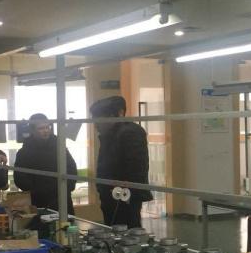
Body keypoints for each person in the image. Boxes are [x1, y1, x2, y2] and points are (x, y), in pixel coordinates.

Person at [89, 95, 153, 228]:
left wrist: (126, 195)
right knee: (113, 228)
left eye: (99, 119)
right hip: (110, 193)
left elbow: (136, 168)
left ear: (114, 115)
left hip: (123, 195)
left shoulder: (130, 133)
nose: (96, 125)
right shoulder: (110, 134)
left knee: (126, 229)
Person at [13, 113, 77, 213]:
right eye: (41, 128)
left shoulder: (59, 147)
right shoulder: (25, 152)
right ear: (32, 130)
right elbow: (20, 177)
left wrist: (67, 187)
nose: (46, 131)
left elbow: (71, 168)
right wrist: (36, 190)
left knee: (65, 222)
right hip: (38, 200)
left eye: (47, 127)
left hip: (61, 197)